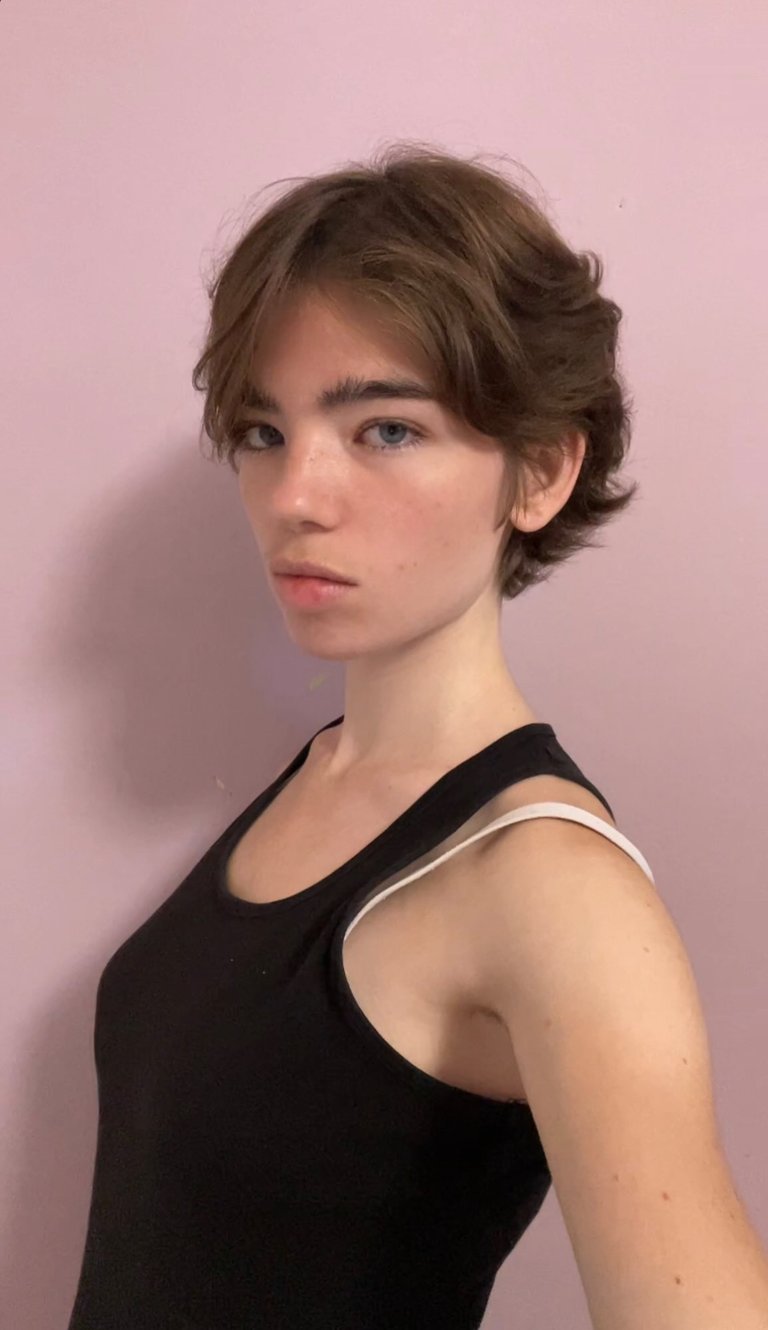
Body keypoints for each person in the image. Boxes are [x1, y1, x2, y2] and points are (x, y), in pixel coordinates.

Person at [67, 142, 768, 1329]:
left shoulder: (552, 890)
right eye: (263, 431)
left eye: (385, 430)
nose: (296, 495)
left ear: (540, 471)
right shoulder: (326, 772)